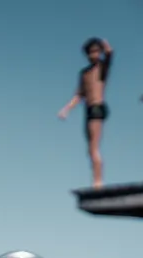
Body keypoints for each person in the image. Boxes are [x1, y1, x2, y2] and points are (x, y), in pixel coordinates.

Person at [58, 37, 113, 188]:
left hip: (97, 107)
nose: (93, 54)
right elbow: (79, 95)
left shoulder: (102, 68)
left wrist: (105, 45)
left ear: (100, 52)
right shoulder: (84, 73)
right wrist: (66, 109)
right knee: (90, 149)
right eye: (90, 52)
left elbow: (109, 55)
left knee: (94, 147)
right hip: (88, 110)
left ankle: (98, 182)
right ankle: (95, 179)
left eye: (96, 51)